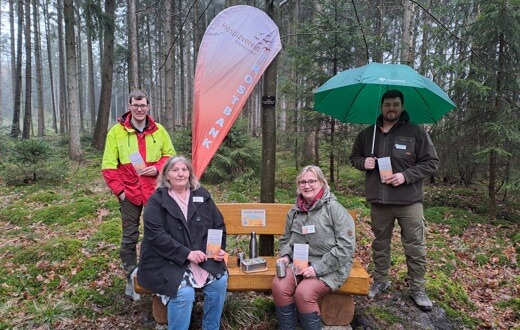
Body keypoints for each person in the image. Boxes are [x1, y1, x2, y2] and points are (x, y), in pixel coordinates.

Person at [349, 89, 439, 311]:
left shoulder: (415, 132)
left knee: (415, 245)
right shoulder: (367, 134)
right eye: (388, 104)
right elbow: (354, 157)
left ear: (401, 106)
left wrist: (405, 176)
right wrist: (363, 163)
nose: (392, 109)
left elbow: (431, 162)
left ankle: (418, 288)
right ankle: (381, 280)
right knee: (380, 244)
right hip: (379, 201)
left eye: (396, 105)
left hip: (409, 201)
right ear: (381, 107)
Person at [137, 156, 228, 330]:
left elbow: (218, 225)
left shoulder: (202, 195)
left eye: (184, 170)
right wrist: (187, 254)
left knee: (219, 281)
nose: (180, 174)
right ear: (166, 175)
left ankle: (211, 327)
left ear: (190, 174)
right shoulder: (156, 201)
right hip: (165, 260)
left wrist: (216, 250)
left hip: (201, 256)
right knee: (184, 293)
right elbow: (156, 236)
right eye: (175, 170)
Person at [101, 89, 175, 299]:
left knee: (160, 234)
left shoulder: (159, 130)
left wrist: (159, 167)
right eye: (135, 105)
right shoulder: (116, 132)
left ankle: (158, 275)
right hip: (130, 193)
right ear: (130, 106)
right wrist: (121, 192)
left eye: (143, 105)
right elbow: (108, 166)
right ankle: (131, 278)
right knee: (129, 238)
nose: (139, 109)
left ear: (148, 106)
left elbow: (170, 156)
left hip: (155, 192)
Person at [272, 165, 356, 330]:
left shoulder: (334, 209)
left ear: (322, 183)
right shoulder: (295, 211)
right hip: (299, 262)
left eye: (311, 181)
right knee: (279, 285)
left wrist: (317, 269)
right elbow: (286, 239)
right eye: (302, 182)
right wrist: (286, 256)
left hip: (331, 265)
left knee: (304, 293)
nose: (307, 185)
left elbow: (346, 247)